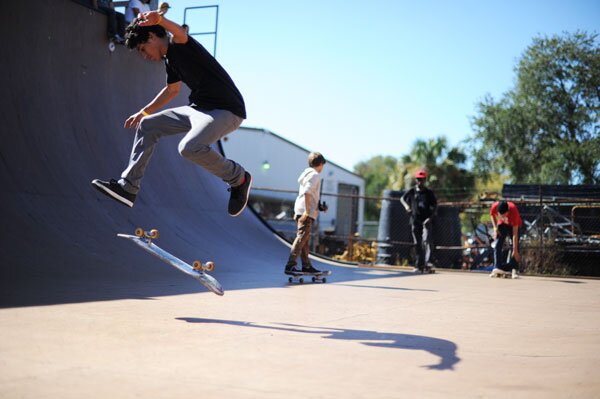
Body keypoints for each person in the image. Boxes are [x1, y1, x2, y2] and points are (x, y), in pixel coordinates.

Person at [92, 10, 252, 217]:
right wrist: (144, 112)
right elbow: (171, 90)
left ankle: (239, 178)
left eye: (143, 49)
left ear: (151, 37)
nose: (145, 56)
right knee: (148, 125)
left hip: (226, 110)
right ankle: (128, 187)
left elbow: (179, 33)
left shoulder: (180, 46)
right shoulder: (170, 61)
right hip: (197, 110)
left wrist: (159, 20)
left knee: (189, 148)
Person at [285, 152, 328, 275]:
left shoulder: (307, 174)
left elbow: (310, 194)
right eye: (322, 166)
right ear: (320, 164)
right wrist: (308, 211)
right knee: (301, 238)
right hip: (305, 212)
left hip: (301, 210)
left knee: (304, 241)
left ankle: (306, 265)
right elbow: (307, 193)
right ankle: (290, 265)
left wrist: (319, 206)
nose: (322, 168)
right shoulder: (314, 175)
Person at [400, 169, 437, 272]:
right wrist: (407, 206)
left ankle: (428, 263)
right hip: (415, 220)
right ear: (416, 180)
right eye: (418, 179)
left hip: (426, 221)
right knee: (417, 243)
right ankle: (419, 265)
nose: (420, 181)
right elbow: (402, 199)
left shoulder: (429, 193)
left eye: (422, 179)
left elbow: (434, 206)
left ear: (425, 180)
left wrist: (430, 218)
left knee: (427, 241)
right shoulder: (412, 191)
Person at [489, 200, 523, 278]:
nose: (502, 216)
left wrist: (515, 250)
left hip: (513, 226)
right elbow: (492, 215)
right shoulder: (495, 206)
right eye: (500, 215)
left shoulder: (513, 211)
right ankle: (497, 267)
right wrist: (495, 227)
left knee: (515, 245)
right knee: (498, 242)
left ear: (508, 211)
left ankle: (513, 269)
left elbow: (515, 234)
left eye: (504, 214)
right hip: (502, 224)